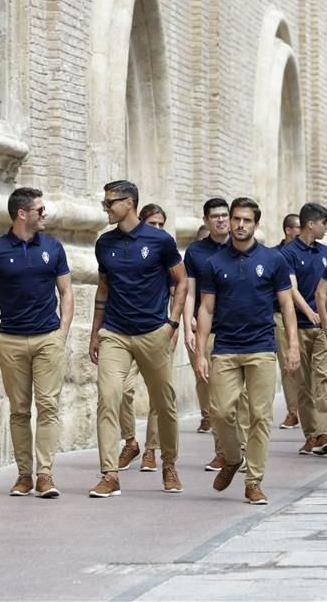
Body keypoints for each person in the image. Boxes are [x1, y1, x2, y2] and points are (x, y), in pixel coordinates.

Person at [0, 187, 73, 497]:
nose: (44, 214)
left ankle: (45, 475)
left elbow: (66, 291)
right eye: (39, 210)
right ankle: (24, 475)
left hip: (48, 338)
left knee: (49, 406)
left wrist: (62, 332)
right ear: (22, 214)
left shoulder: (53, 247)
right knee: (20, 410)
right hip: (10, 340)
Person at [193, 197, 299, 504]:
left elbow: (286, 305)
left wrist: (292, 345)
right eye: (236, 219)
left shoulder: (274, 260)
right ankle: (231, 456)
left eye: (246, 220)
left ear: (256, 224)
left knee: (260, 416)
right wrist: (200, 352)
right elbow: (206, 310)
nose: (240, 225)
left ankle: (254, 481)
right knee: (221, 412)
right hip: (225, 348)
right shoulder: (214, 263)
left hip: (262, 348)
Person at [88, 180, 188, 497]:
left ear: (128, 202)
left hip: (153, 332)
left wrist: (172, 323)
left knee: (164, 402)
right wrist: (95, 332)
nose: (106, 208)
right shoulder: (104, 244)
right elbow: (103, 289)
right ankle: (109, 474)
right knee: (108, 398)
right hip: (115, 333)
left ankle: (169, 465)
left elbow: (182, 281)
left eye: (110, 203)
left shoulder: (160, 241)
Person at [182, 198, 250, 472]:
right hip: (208, 332)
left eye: (226, 215)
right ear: (206, 220)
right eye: (216, 216)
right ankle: (223, 451)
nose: (222, 220)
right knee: (216, 396)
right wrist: (188, 325)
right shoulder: (197, 252)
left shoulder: (242, 248)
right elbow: (188, 291)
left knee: (242, 396)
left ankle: (242, 448)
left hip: (240, 330)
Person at [117, 204, 179, 473]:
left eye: (161, 225)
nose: (157, 229)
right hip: (123, 331)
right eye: (152, 223)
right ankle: (130, 441)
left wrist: (173, 327)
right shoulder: (126, 249)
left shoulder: (164, 249)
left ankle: (152, 450)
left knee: (159, 397)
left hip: (157, 331)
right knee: (121, 390)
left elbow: (180, 288)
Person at [278, 202, 327, 456]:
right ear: (310, 224)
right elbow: (290, 289)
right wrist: (309, 312)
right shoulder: (288, 253)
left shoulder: (325, 252)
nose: (326, 228)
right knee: (302, 384)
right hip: (299, 326)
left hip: (324, 327)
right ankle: (311, 434)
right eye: (324, 223)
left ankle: (323, 431)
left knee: (324, 378)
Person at [275, 212, 303, 429]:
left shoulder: (316, 252)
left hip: (310, 318)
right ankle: (293, 410)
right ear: (288, 230)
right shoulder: (277, 255)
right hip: (283, 316)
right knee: (289, 365)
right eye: (298, 228)